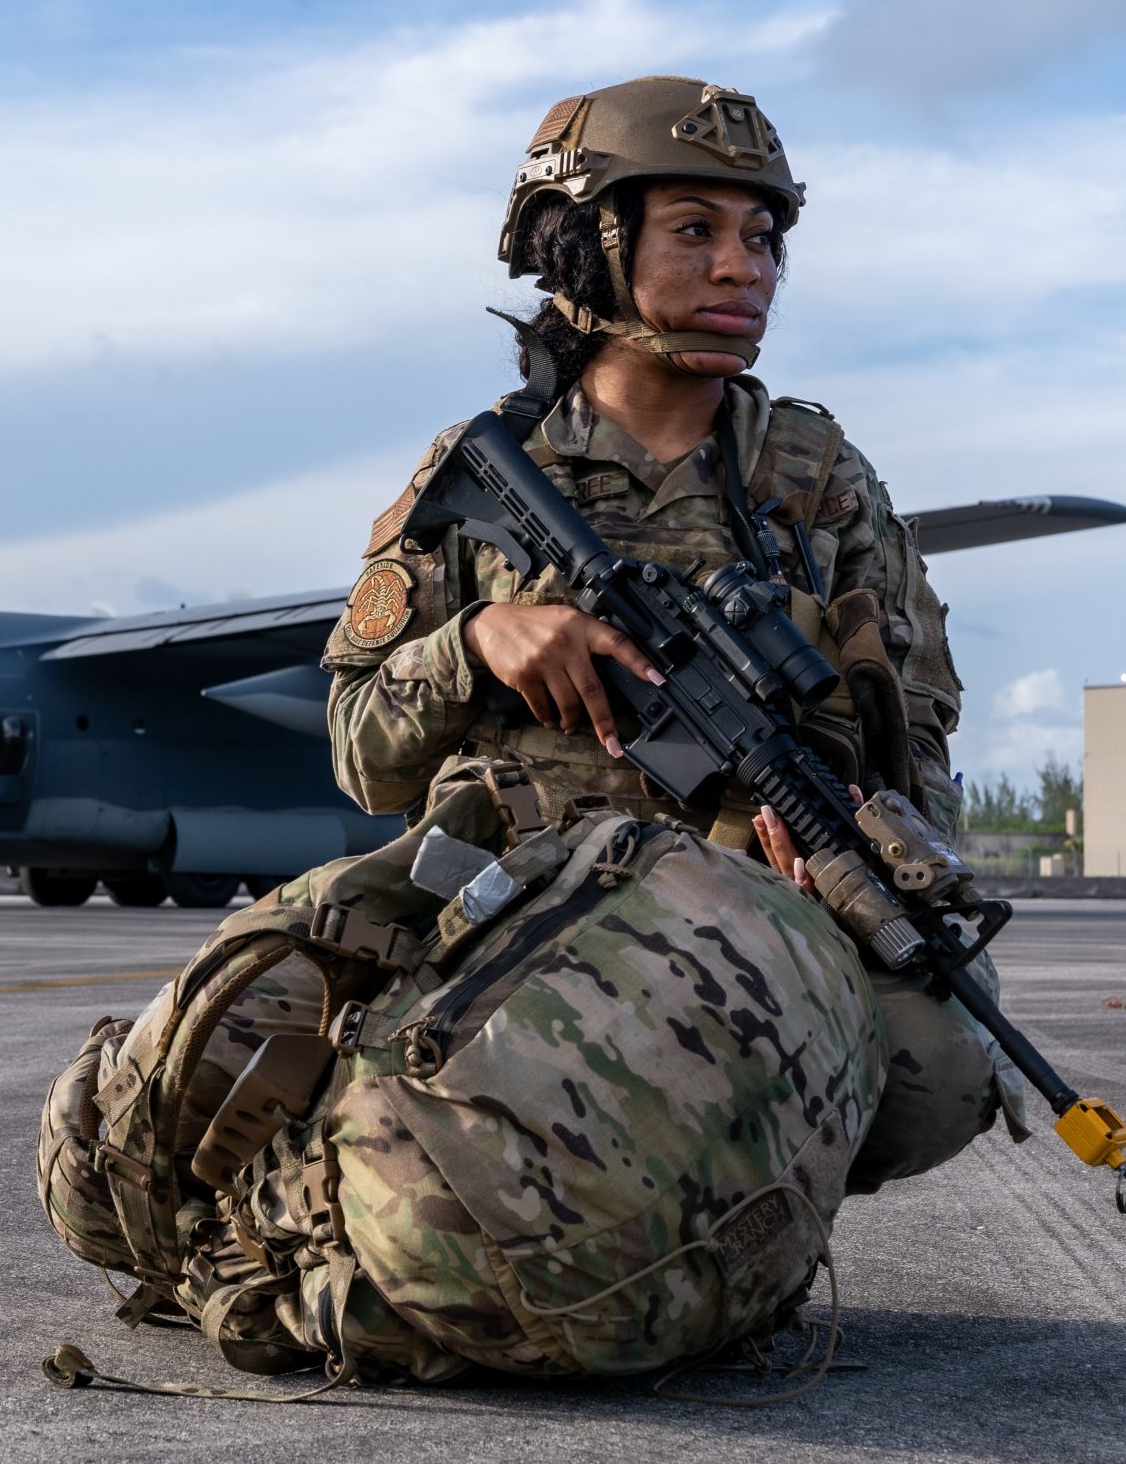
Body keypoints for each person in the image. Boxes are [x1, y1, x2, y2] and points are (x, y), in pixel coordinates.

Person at [323, 75, 1018, 1191]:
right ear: (590, 248)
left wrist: (860, 841)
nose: (743, 269)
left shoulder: (816, 477)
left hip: (738, 907)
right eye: (693, 231)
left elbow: (918, 729)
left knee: (939, 1067)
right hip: (504, 896)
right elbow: (359, 752)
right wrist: (476, 642)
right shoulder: (485, 470)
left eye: (760, 238)